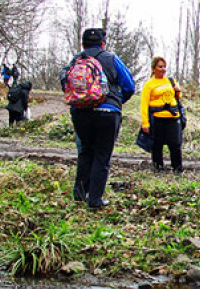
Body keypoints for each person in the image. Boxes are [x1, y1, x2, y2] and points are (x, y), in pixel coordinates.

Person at [62, 28, 135, 210]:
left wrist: (80, 100)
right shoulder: (111, 58)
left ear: (83, 44)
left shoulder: (76, 60)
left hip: (80, 112)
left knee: (86, 151)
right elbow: (129, 86)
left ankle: (80, 194)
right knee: (102, 156)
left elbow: (65, 82)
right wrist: (116, 101)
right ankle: (95, 200)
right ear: (103, 44)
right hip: (107, 113)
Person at [140, 56, 184, 173]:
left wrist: (178, 91)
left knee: (175, 144)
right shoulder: (149, 84)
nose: (163, 69)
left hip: (173, 117)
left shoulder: (171, 81)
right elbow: (144, 104)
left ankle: (178, 169)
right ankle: (158, 168)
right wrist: (145, 123)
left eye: (164, 67)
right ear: (154, 68)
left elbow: (177, 98)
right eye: (160, 67)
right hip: (157, 118)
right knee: (157, 145)